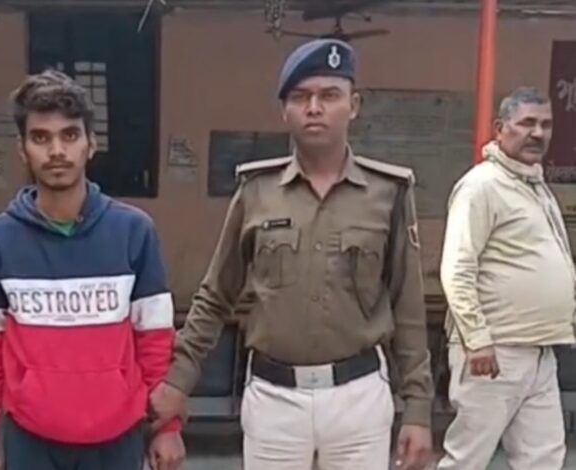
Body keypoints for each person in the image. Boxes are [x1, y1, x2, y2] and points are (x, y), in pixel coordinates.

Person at [149, 38, 434, 470]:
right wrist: (178, 381)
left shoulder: (386, 194)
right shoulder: (256, 192)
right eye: (300, 97)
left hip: (358, 397)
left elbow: (407, 307)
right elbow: (216, 294)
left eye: (329, 95)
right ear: (284, 110)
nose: (314, 108)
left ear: (354, 106)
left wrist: (418, 409)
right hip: (274, 400)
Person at [0, 69, 185, 470]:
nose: (56, 151)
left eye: (69, 135)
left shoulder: (134, 232)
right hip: (31, 439)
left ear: (90, 144)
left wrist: (167, 427)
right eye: (40, 138)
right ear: (22, 149)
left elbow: (155, 340)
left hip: (117, 438)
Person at [437, 86, 575, 470]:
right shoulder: (481, 185)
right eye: (527, 123)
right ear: (500, 128)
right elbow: (457, 267)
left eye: (546, 125)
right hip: (494, 351)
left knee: (544, 460)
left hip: (540, 351)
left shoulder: (535, 186)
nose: (538, 133)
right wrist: (477, 339)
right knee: (467, 460)